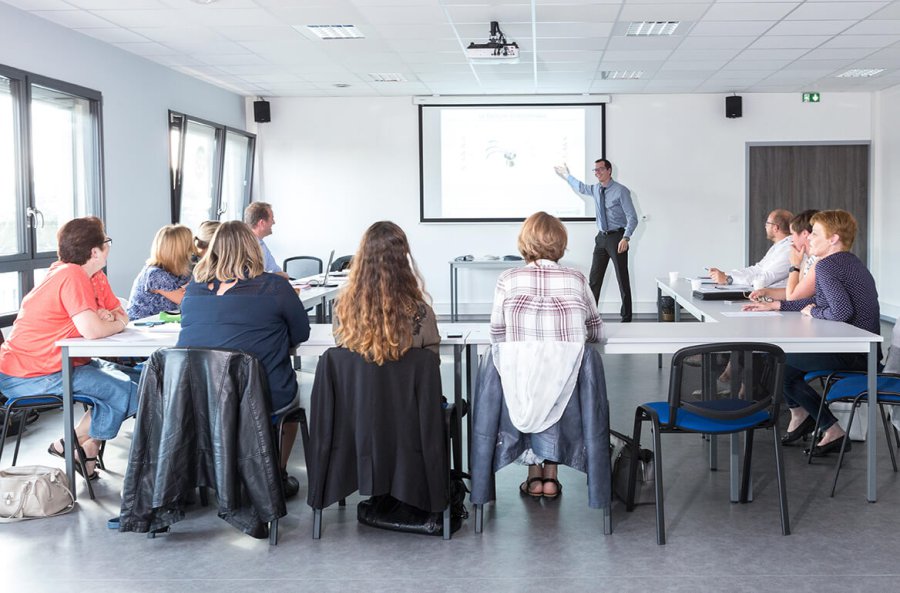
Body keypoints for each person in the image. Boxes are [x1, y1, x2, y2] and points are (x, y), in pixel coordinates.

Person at [176, 221, 310, 497]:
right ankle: (276, 476)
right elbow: (301, 332)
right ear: (253, 249)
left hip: (206, 397)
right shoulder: (275, 287)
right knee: (292, 399)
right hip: (262, 395)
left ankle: (220, 473)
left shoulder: (193, 290)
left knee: (235, 401)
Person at [0, 217, 140, 480]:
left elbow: (109, 313)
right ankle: (71, 443)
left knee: (139, 379)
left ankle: (84, 451)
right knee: (129, 391)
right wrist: (116, 322)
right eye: (107, 241)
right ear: (95, 251)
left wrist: (109, 317)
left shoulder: (79, 274)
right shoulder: (72, 275)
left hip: (54, 365)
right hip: (30, 376)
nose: (109, 246)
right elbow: (93, 330)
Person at [743, 210, 881, 456]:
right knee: (781, 365)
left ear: (833, 239)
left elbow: (839, 311)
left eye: (815, 234)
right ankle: (817, 421)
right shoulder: (849, 261)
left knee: (778, 364)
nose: (809, 239)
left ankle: (829, 427)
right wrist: (779, 305)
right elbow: (820, 300)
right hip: (862, 351)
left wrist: (813, 312)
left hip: (854, 354)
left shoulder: (827, 265)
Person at [490, 211, 602, 498]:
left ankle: (534, 475)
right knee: (558, 378)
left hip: (521, 385)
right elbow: (595, 330)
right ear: (561, 244)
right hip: (564, 388)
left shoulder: (508, 278)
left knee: (527, 380)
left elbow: (497, 334)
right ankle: (551, 476)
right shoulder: (576, 279)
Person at [333, 221, 439, 364]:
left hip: (360, 387)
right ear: (403, 260)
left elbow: (344, 362)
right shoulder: (422, 314)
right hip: (404, 387)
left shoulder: (343, 311)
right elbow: (430, 368)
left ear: (362, 259)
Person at [554, 159, 637, 322]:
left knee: (622, 279)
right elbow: (581, 187)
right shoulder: (596, 189)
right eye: (595, 170)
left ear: (609, 171)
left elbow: (632, 218)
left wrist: (626, 237)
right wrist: (567, 175)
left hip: (617, 238)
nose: (597, 172)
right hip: (601, 238)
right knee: (594, 279)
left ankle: (626, 318)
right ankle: (590, 316)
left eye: (600, 169)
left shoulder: (621, 191)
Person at [708, 209, 793, 288]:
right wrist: (725, 274)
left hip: (772, 297)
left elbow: (765, 279)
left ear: (776, 228)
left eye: (767, 223)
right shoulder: (778, 246)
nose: (765, 227)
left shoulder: (789, 249)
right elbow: (757, 269)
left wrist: (729, 279)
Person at [749, 209, 819, 302]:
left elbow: (793, 297)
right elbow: (797, 291)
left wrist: (795, 266)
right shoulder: (808, 260)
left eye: (792, 234)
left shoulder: (818, 261)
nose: (791, 239)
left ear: (805, 234)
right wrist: (765, 292)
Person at [126, 224, 193, 319]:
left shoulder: (176, 271)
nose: (193, 249)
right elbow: (187, 301)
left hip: (162, 325)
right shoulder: (155, 274)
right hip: (142, 327)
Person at [244, 201, 288, 278]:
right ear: (262, 223)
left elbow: (275, 270)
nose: (274, 222)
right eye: (272, 219)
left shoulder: (261, 244)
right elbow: (254, 277)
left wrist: (281, 275)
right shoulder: (243, 246)